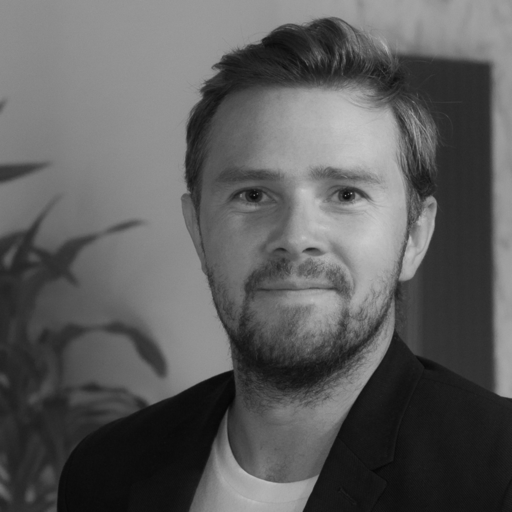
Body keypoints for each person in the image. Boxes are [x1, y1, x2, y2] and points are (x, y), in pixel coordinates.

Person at [58, 17, 512, 511]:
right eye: (253, 195)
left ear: (415, 237)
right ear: (198, 230)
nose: (296, 239)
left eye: (346, 194)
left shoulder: (498, 471)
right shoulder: (104, 471)